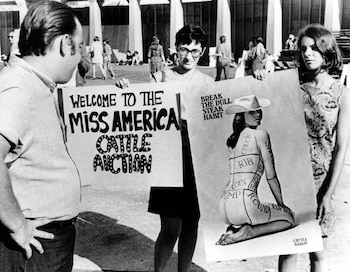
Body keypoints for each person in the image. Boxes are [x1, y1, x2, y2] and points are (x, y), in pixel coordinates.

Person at [116, 24, 213, 272]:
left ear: (202, 52)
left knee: (192, 223)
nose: (189, 56)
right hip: (168, 155)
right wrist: (123, 90)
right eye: (183, 49)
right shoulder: (161, 77)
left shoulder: (208, 82)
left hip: (197, 157)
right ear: (175, 50)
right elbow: (137, 111)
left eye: (194, 51)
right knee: (171, 227)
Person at [0, 1, 83, 271]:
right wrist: (17, 224)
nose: (80, 56)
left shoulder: (33, 83)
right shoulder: (19, 87)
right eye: (79, 47)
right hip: (33, 246)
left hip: (44, 241)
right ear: (64, 44)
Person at [278, 24, 350, 272]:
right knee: (288, 252)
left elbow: (341, 148)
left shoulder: (342, 93)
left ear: (327, 50)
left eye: (314, 48)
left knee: (318, 254)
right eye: (303, 49)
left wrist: (328, 195)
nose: (307, 53)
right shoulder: (291, 88)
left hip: (322, 183)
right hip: (293, 181)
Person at [216, 95, 295, 245]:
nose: (258, 114)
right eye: (252, 112)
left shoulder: (232, 140)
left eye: (259, 111)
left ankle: (232, 230)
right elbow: (271, 176)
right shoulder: (260, 135)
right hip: (246, 204)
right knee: (288, 218)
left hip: (224, 205)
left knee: (259, 209)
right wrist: (281, 204)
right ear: (241, 115)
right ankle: (249, 232)